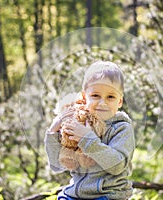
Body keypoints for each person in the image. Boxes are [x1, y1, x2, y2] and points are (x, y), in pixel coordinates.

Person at [45, 61, 135, 200]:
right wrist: (53, 130)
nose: (102, 103)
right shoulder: (78, 122)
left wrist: (87, 139)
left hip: (108, 195)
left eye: (110, 97)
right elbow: (57, 165)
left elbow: (117, 166)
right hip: (75, 194)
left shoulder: (122, 128)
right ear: (84, 97)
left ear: (120, 101)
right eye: (95, 96)